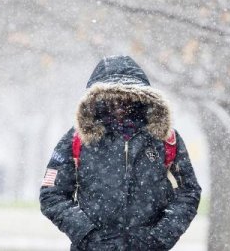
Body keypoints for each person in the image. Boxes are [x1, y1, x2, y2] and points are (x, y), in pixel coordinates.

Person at [39, 55, 201, 250]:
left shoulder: (165, 139)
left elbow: (189, 191)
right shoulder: (77, 139)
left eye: (126, 98)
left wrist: (160, 237)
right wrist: (87, 235)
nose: (119, 105)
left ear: (141, 98)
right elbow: (52, 195)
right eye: (111, 98)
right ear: (96, 100)